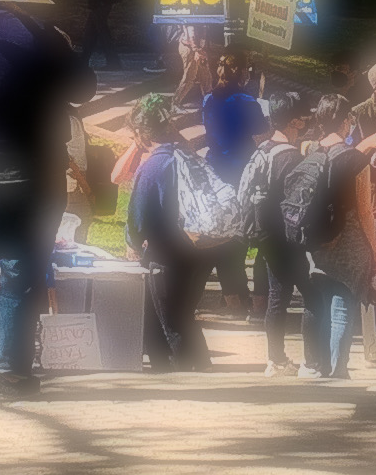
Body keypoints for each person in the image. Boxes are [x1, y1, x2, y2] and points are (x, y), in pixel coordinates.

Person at [0, 0, 93, 399]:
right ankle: (11, 377)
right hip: (30, 167)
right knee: (20, 269)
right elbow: (83, 88)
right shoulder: (38, 32)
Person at [297, 95, 376, 380]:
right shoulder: (357, 160)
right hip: (348, 241)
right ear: (346, 120)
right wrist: (375, 251)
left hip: (316, 241)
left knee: (320, 305)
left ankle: (318, 366)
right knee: (342, 308)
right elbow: (364, 211)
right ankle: (338, 371)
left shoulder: (310, 152)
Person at [125, 93, 213, 372]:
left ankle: (187, 375)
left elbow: (137, 217)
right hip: (200, 250)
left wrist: (134, 243)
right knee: (179, 315)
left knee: (171, 321)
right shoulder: (188, 156)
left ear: (142, 131)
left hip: (165, 254)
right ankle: (188, 368)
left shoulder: (152, 166)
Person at [200, 48, 267, 319]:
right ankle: (241, 297)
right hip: (242, 171)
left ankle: (232, 297)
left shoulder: (208, 99)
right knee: (240, 236)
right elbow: (262, 133)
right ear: (241, 73)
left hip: (215, 169)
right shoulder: (246, 100)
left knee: (225, 234)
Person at [256, 92, 311, 375]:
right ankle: (314, 360)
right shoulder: (290, 157)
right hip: (288, 239)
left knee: (277, 298)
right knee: (313, 296)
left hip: (265, 236)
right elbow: (298, 202)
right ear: (296, 121)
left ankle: (275, 359)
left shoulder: (263, 149)